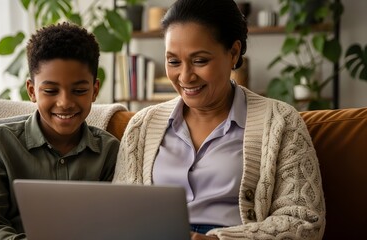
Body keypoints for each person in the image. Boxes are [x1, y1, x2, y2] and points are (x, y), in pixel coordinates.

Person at [112, 0, 325, 239]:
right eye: (173, 61)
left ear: (233, 53)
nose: (185, 76)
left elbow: (304, 221)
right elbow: (120, 214)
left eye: (200, 61)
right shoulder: (142, 126)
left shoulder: (280, 121)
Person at [0, 22, 119, 239]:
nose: (65, 102)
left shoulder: (109, 152)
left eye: (79, 90)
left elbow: (111, 224)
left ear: (95, 91)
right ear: (32, 91)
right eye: (51, 90)